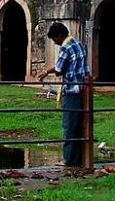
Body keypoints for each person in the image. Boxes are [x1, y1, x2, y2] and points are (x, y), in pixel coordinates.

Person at [36, 22, 88, 168]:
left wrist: (46, 71)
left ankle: (69, 160)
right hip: (83, 90)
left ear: (59, 36)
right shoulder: (78, 44)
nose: (55, 43)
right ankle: (79, 159)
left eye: (54, 39)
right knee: (79, 126)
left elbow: (59, 69)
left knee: (69, 125)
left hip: (72, 90)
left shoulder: (66, 47)